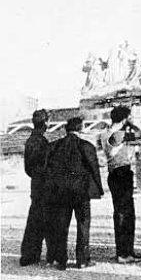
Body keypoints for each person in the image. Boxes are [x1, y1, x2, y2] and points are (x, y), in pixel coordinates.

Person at [44, 117, 103, 270]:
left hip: (61, 192)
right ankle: (82, 260)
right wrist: (99, 188)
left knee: (61, 225)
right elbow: (94, 169)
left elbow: (47, 170)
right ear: (80, 128)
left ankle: (61, 260)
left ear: (66, 129)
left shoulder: (54, 146)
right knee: (83, 224)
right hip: (81, 192)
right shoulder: (86, 146)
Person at [99, 106, 141, 264]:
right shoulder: (121, 134)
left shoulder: (105, 133)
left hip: (113, 173)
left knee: (119, 211)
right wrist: (130, 124)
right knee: (126, 213)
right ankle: (125, 253)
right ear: (125, 118)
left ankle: (122, 251)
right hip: (122, 172)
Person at [20, 109, 53, 266]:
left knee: (34, 219)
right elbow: (48, 166)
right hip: (44, 185)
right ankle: (49, 255)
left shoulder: (30, 141)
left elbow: (28, 168)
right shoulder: (42, 142)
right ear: (45, 122)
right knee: (47, 219)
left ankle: (29, 255)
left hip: (35, 184)